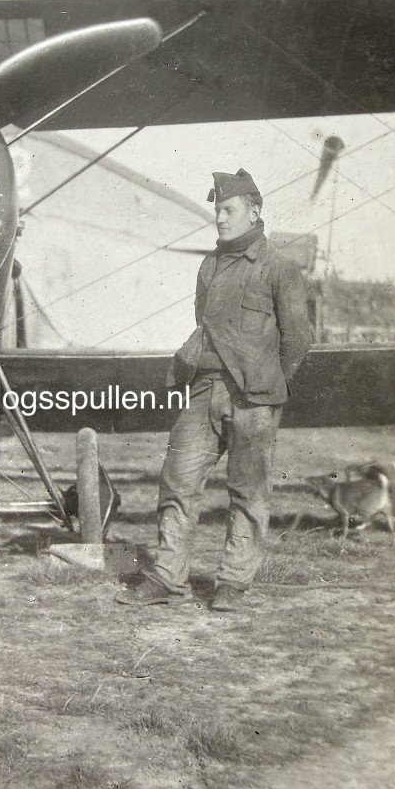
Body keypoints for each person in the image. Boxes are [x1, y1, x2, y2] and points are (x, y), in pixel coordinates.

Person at [118, 168, 311, 611]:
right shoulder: (209, 266)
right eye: (217, 211)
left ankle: (232, 583)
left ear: (254, 211)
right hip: (203, 390)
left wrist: (267, 381)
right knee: (177, 482)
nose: (220, 219)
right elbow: (205, 327)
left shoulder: (280, 269)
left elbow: (298, 339)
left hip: (253, 398)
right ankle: (168, 577)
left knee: (248, 491)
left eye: (229, 210)